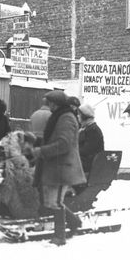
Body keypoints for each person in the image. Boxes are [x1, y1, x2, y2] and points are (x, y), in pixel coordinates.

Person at [28, 90, 85, 246]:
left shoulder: (66, 118)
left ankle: (60, 237)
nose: (50, 105)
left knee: (55, 202)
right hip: (57, 167)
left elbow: (64, 144)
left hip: (64, 167)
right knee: (51, 201)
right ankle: (74, 222)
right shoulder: (59, 116)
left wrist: (41, 151)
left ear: (56, 103)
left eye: (51, 103)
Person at [77, 103, 104, 176]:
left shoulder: (92, 130)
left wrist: (73, 151)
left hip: (88, 164)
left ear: (84, 117)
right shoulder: (87, 128)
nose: (77, 116)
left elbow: (87, 150)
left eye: (79, 114)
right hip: (88, 162)